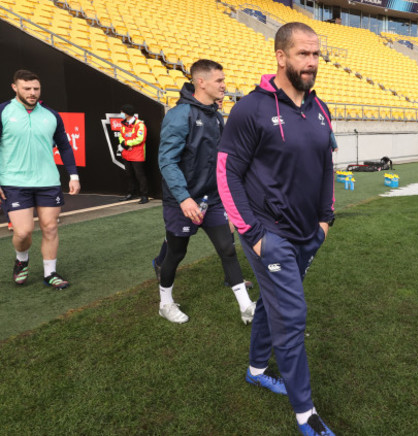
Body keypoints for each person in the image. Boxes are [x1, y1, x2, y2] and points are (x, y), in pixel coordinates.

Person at [217, 22, 336, 436]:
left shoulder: (320, 109)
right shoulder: (251, 108)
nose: (311, 62)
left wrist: (325, 220)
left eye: (316, 54)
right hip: (269, 234)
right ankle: (305, 414)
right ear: (281, 57)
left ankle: (255, 369)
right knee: (292, 313)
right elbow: (226, 173)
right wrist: (253, 234)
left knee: (270, 303)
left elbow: (325, 167)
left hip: (308, 233)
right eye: (303, 54)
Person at [156, 59, 255, 325]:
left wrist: (227, 198)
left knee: (227, 248)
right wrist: (184, 198)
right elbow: (167, 160)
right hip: (182, 202)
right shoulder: (180, 115)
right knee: (176, 253)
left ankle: (246, 306)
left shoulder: (215, 113)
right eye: (219, 81)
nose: (225, 85)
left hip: (212, 199)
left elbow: (220, 161)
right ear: (201, 82)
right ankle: (165, 303)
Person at [0, 69, 81, 289]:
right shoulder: (3, 112)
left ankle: (50, 273)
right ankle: (21, 259)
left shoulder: (51, 115)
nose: (32, 92)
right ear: (15, 88)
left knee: (50, 227)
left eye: (36, 88)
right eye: (27, 88)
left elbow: (64, 146)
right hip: (14, 183)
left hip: (48, 182)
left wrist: (73, 175)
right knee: (23, 232)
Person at [118, 104, 149, 204]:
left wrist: (127, 143)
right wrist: (125, 144)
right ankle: (131, 193)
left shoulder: (139, 124)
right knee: (129, 175)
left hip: (137, 154)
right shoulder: (123, 123)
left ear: (127, 113)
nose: (121, 114)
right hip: (126, 153)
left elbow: (140, 138)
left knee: (140, 175)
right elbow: (120, 136)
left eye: (122, 112)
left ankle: (144, 195)